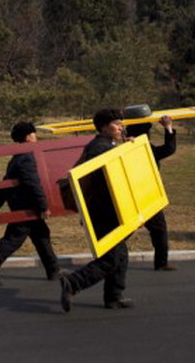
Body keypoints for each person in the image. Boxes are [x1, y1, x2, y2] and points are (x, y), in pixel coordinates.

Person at [58, 107, 133, 312]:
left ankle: (113, 296)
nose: (121, 127)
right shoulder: (100, 148)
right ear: (103, 127)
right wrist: (127, 152)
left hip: (107, 210)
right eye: (116, 124)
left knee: (121, 255)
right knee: (112, 257)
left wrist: (124, 149)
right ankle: (73, 283)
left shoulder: (106, 145)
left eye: (121, 123)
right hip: (103, 212)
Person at [0, 121, 63, 285]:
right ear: (27, 136)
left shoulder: (17, 157)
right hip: (26, 207)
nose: (35, 136)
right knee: (13, 239)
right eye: (33, 133)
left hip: (22, 204)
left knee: (42, 236)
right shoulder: (27, 157)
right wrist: (43, 206)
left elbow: (5, 184)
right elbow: (33, 183)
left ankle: (54, 270)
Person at [126, 114, 177, 271]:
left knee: (126, 231)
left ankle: (161, 263)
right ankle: (161, 263)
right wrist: (168, 127)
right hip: (144, 195)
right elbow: (169, 148)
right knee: (157, 229)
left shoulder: (125, 147)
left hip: (132, 195)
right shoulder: (145, 149)